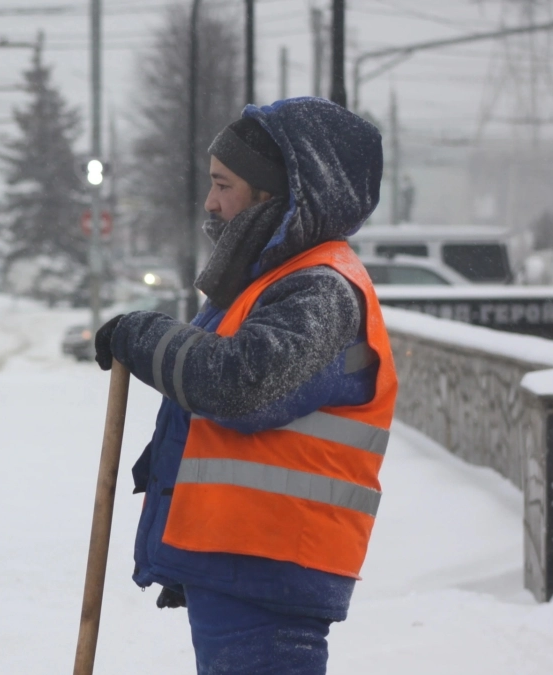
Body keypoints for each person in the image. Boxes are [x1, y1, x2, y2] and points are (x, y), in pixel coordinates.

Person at [94, 97, 398, 674]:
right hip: (244, 560)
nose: (209, 202)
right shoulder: (271, 281)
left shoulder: (321, 290)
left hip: (274, 567)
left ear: (273, 193)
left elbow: (239, 384)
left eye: (222, 184)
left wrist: (143, 336)